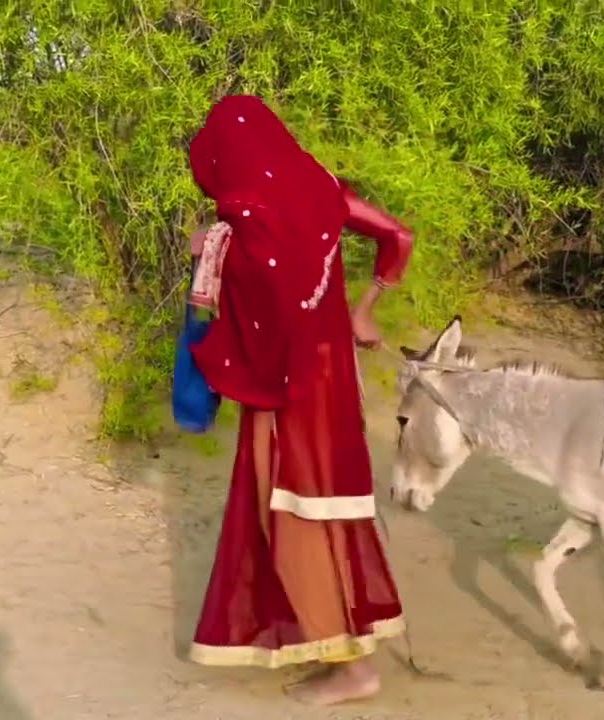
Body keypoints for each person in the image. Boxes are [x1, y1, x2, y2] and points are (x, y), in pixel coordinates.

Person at [182, 94, 415, 706]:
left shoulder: (251, 213)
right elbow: (399, 237)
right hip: (331, 372)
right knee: (319, 506)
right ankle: (333, 647)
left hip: (289, 387)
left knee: (292, 509)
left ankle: (355, 667)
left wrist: (212, 248)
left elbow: (266, 281)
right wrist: (365, 312)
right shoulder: (321, 187)